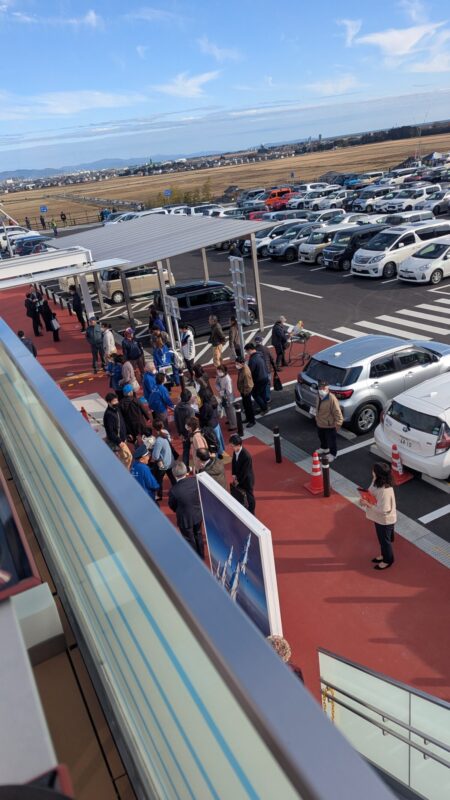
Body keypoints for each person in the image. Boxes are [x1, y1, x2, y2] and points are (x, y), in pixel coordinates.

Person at [361, 462, 397, 571]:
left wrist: (367, 504)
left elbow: (383, 510)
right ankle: (384, 555)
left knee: (385, 541)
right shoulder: (376, 481)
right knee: (382, 539)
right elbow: (371, 492)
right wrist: (365, 497)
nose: (372, 472)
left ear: (377, 473)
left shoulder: (385, 490)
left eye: (373, 470)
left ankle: (388, 560)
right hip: (379, 519)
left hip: (385, 520)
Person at [168, 462, 204, 558]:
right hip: (197, 515)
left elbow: (172, 505)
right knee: (198, 534)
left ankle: (194, 558)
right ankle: (201, 555)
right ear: (186, 472)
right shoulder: (194, 481)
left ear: (174, 475)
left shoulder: (174, 490)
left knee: (188, 539)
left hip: (184, 518)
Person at [315, 380, 343, 462]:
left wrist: (337, 425)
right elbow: (317, 407)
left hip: (329, 425)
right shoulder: (318, 396)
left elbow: (338, 413)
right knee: (321, 437)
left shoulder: (332, 398)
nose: (322, 389)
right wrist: (316, 417)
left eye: (324, 387)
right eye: (320, 387)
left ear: (328, 388)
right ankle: (324, 448)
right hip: (320, 423)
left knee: (331, 440)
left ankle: (333, 454)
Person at [103, 392, 132, 470]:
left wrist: (127, 433)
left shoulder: (117, 409)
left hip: (122, 439)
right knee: (128, 457)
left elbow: (122, 422)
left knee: (125, 458)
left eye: (116, 400)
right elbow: (110, 432)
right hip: (118, 442)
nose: (116, 402)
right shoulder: (108, 415)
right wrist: (119, 442)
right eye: (114, 401)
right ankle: (125, 473)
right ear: (109, 402)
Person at [230, 434, 255, 514]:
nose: (232, 447)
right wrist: (233, 474)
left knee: (249, 496)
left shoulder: (246, 456)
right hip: (239, 478)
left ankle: (252, 512)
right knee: (239, 493)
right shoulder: (235, 451)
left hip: (247, 480)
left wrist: (238, 481)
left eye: (233, 446)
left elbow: (245, 472)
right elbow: (233, 462)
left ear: (239, 445)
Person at [152, 425, 175, 500]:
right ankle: (176, 492)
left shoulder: (159, 440)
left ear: (155, 430)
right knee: (172, 478)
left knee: (159, 480)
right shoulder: (165, 435)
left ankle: (159, 496)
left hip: (163, 464)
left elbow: (155, 456)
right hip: (170, 461)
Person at [244, 342, 269, 414]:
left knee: (255, 394)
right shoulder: (260, 355)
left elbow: (250, 371)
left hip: (258, 379)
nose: (247, 353)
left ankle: (264, 408)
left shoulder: (253, 359)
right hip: (265, 376)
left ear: (249, 350)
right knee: (263, 393)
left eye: (246, 351)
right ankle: (264, 407)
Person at [174, 390, 195, 467]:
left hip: (183, 433)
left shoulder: (177, 408)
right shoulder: (190, 410)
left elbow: (176, 421)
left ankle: (185, 467)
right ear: (189, 398)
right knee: (195, 451)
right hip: (190, 434)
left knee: (185, 450)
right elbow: (193, 424)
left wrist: (180, 433)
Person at [254, 333, 276, 403]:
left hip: (259, 371)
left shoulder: (254, 350)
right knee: (267, 384)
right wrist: (275, 368)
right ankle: (268, 398)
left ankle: (263, 397)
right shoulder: (266, 348)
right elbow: (271, 359)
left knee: (260, 385)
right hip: (267, 369)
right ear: (261, 341)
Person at [215, 363, 237, 430]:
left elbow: (229, 391)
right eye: (218, 371)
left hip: (228, 397)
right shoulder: (219, 377)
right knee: (226, 409)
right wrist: (220, 389)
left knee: (230, 410)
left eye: (220, 371)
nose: (218, 373)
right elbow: (217, 384)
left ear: (224, 371)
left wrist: (222, 391)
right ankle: (230, 420)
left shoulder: (227, 379)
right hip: (223, 395)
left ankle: (233, 424)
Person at [235, 357, 255, 428]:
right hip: (243, 390)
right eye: (236, 363)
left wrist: (245, 392)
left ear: (242, 363)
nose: (236, 365)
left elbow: (249, 385)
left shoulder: (245, 372)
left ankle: (252, 421)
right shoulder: (241, 369)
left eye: (237, 363)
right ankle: (248, 418)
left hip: (246, 392)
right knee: (245, 406)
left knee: (248, 406)